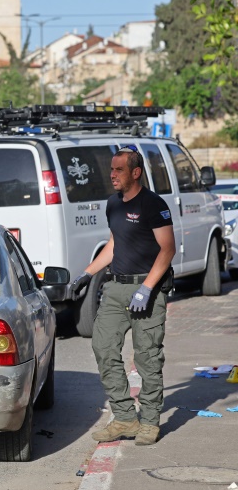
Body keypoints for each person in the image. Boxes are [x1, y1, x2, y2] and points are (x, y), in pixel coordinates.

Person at [68, 145, 175, 446]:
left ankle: (150, 422)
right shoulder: (113, 204)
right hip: (115, 289)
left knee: (147, 358)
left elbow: (167, 249)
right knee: (103, 348)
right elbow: (114, 244)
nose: (112, 175)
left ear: (136, 172)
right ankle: (126, 417)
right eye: (111, 169)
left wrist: (147, 288)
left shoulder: (154, 205)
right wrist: (86, 274)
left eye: (118, 170)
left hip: (148, 291)